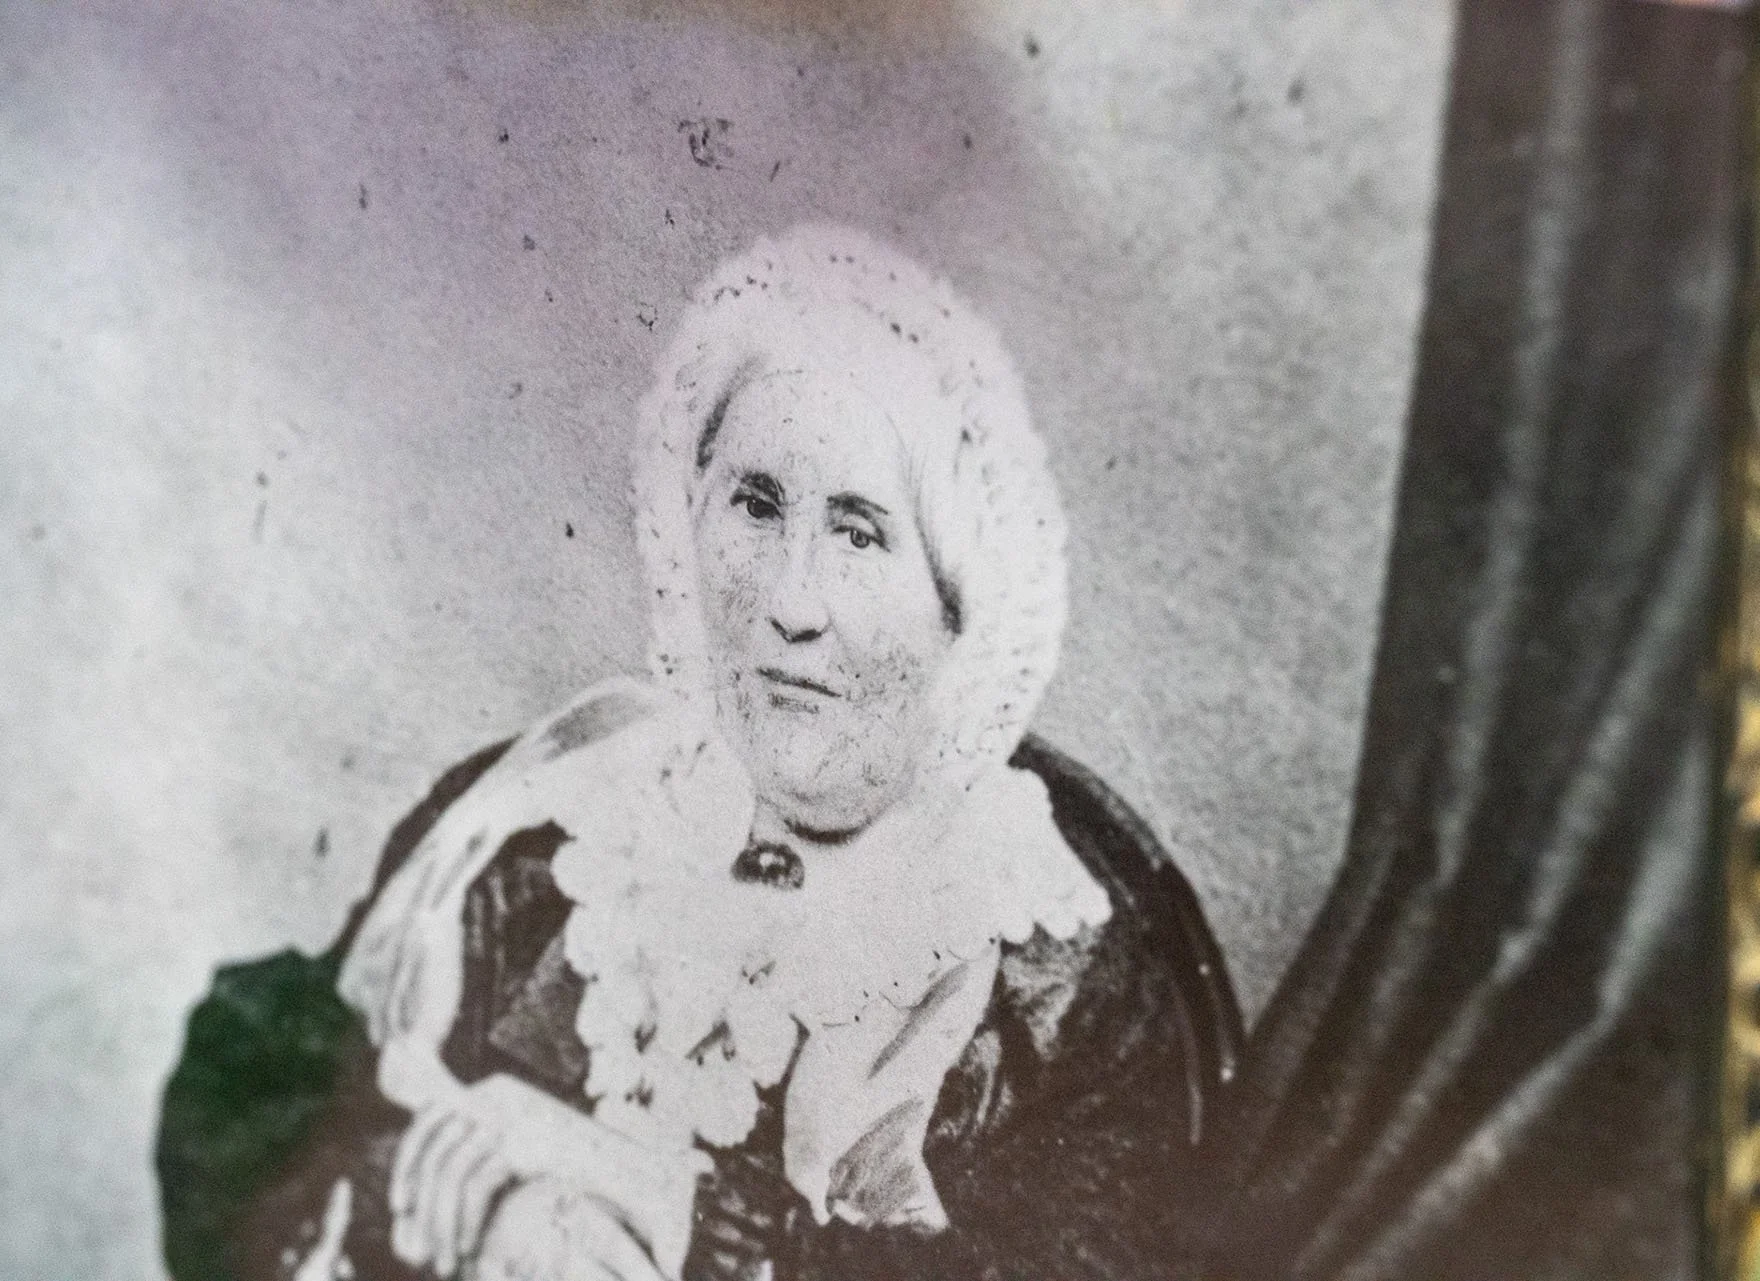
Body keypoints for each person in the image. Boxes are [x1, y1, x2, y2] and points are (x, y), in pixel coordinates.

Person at [156, 224, 1242, 1281]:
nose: (788, 600)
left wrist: (676, 1218)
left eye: (860, 532)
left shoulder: (1057, 975)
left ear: (958, 603)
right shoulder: (543, 835)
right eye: (755, 508)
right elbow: (264, 1143)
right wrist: (480, 1207)